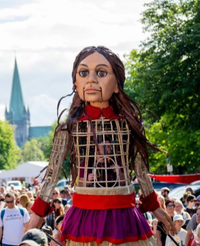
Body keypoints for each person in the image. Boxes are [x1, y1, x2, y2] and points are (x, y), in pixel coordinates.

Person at [29, 46, 176, 245]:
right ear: (75, 83)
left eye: (101, 72)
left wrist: (155, 206)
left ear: (116, 84)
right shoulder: (69, 129)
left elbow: (141, 171)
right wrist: (37, 213)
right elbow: (52, 174)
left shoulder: (129, 125)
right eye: (83, 73)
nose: (91, 79)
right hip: (84, 216)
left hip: (123, 216)